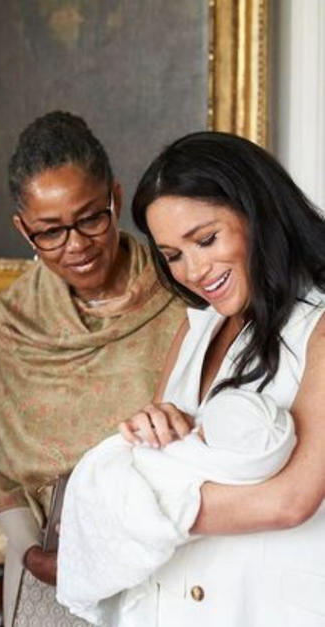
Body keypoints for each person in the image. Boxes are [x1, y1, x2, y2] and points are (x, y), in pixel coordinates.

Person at [101, 131, 325, 625]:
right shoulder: (196, 326)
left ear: (257, 212)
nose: (195, 270)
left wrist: (127, 510)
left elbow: (292, 500)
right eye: (173, 255)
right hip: (170, 603)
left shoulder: (319, 328)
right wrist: (153, 426)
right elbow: (154, 459)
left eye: (206, 240)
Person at [0, 111, 185, 623]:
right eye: (50, 232)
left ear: (114, 196)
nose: (77, 245)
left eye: (91, 218)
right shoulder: (15, 320)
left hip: (171, 553)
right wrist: (31, 552)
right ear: (23, 230)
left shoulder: (181, 293)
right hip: (53, 565)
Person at [57, 388, 295, 624]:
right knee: (103, 480)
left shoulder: (208, 473)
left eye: (203, 434)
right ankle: (75, 547)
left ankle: (81, 560)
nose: (197, 433)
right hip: (136, 468)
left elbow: (156, 521)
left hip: (207, 570)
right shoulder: (221, 431)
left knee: (119, 502)